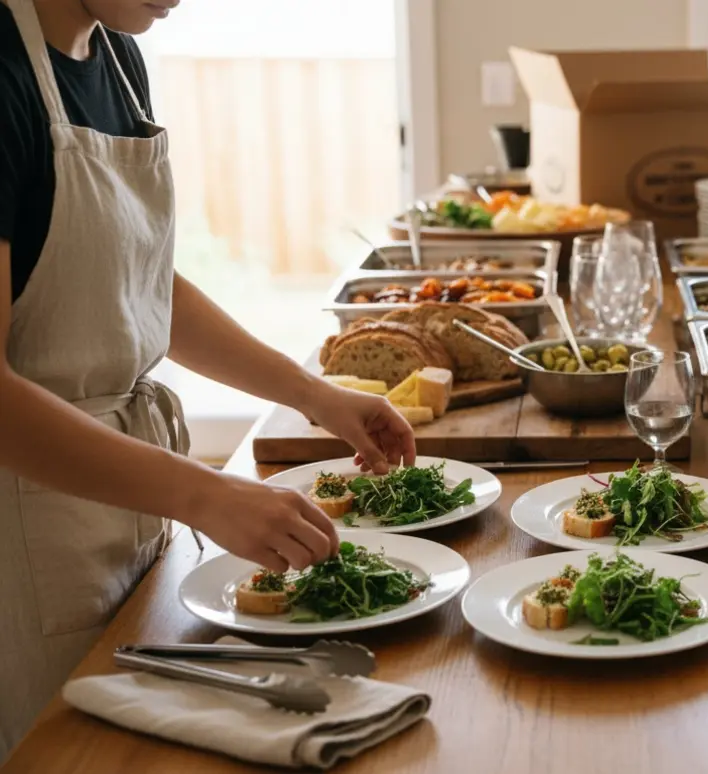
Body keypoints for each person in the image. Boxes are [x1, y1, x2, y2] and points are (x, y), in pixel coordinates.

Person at [0, 0, 417, 755]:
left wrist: (314, 396)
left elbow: (140, 282)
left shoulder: (117, 57)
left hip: (127, 506)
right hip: (27, 540)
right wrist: (205, 493)